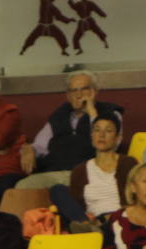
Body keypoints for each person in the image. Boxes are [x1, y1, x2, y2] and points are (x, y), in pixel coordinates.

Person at [18, 70, 124, 210]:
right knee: (20, 189)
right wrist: (28, 149)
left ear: (95, 91)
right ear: (67, 95)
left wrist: (92, 113)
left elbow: (110, 145)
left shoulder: (110, 114)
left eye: (84, 89)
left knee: (62, 191)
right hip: (54, 172)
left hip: (88, 173)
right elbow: (39, 146)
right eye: (73, 90)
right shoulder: (59, 115)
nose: (78, 95)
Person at [66, 111, 135, 228]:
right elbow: (75, 205)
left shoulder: (128, 163)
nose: (101, 135)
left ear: (118, 138)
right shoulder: (80, 170)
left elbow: (135, 201)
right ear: (92, 135)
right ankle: (87, 226)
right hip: (93, 223)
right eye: (97, 130)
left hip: (122, 220)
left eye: (108, 131)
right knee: (57, 190)